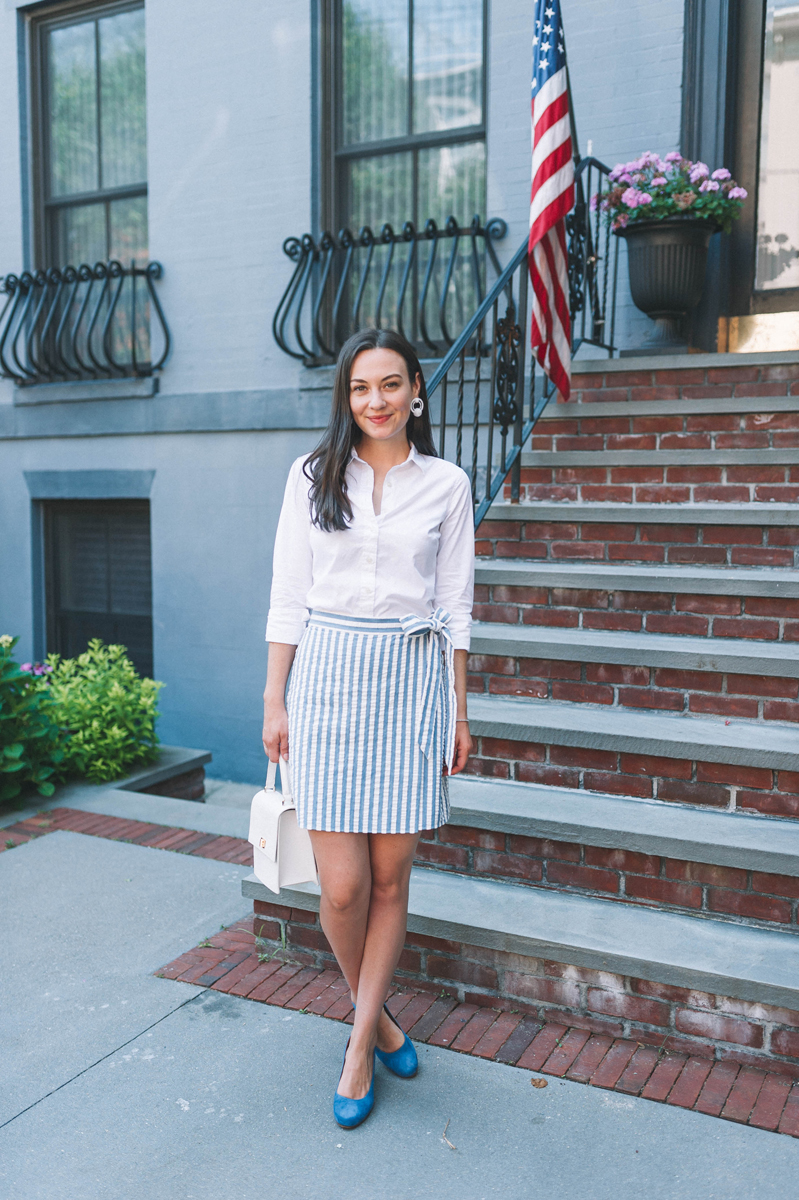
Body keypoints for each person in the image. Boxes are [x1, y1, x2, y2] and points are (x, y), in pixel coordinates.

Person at [262, 327, 475, 1129]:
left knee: (389, 881)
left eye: (390, 385)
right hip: (325, 680)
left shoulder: (446, 484)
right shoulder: (311, 475)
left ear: (416, 391)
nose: (375, 401)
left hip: (409, 682)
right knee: (342, 887)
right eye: (359, 387)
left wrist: (458, 708)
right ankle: (378, 1015)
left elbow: (455, 606)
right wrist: (273, 699)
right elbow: (288, 592)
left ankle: (357, 1047)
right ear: (343, 397)